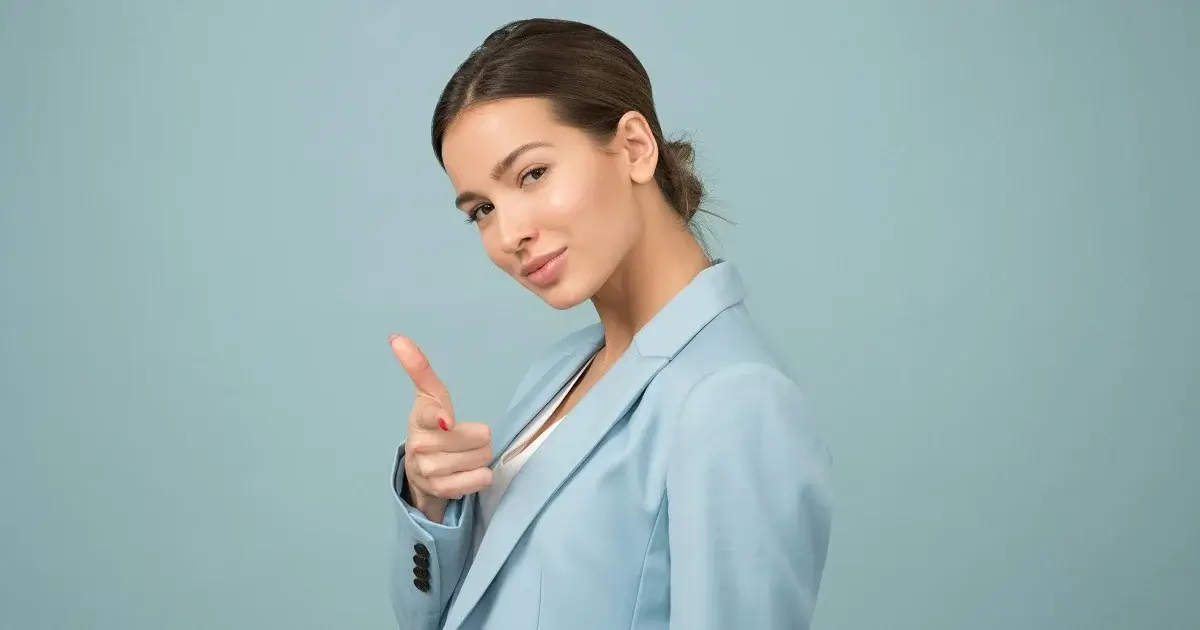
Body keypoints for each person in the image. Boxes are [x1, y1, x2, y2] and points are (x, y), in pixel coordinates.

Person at [385, 18, 833, 630]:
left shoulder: (732, 400)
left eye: (533, 174)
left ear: (634, 147)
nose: (510, 232)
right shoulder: (559, 369)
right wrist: (431, 498)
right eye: (482, 210)